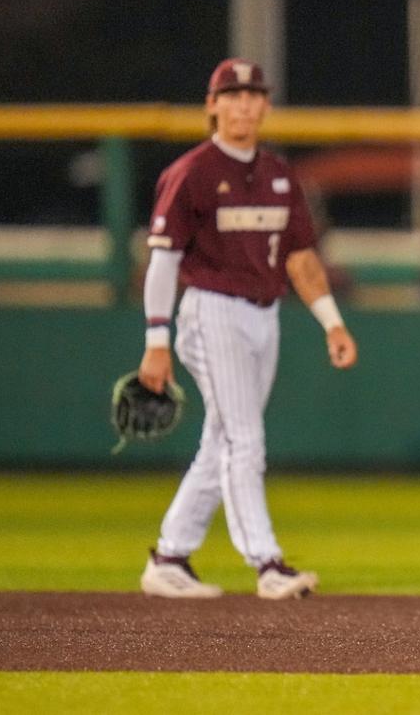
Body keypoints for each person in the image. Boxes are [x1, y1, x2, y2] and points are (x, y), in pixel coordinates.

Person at [134, 58, 359, 600]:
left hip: (264, 314)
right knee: (245, 439)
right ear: (212, 105)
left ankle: (169, 557)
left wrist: (332, 322)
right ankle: (267, 563)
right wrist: (156, 342)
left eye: (253, 94)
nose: (243, 104)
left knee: (222, 441)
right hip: (211, 310)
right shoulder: (191, 172)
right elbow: (163, 263)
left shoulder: (280, 175)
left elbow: (302, 259)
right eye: (232, 94)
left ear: (265, 105)